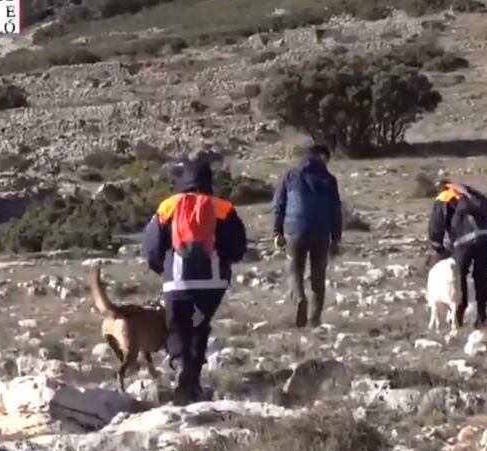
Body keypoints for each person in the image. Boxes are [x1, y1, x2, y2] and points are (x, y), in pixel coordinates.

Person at [142, 159, 248, 405]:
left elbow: (152, 247)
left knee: (177, 326)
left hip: (177, 282)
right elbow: (238, 247)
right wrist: (224, 263)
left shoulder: (168, 206)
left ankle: (181, 366)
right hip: (212, 283)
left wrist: (162, 268)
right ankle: (193, 380)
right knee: (200, 326)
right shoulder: (222, 207)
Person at [272, 144, 343, 328]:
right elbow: (336, 211)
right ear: (322, 157)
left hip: (294, 230)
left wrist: (277, 232)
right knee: (318, 275)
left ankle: (299, 298)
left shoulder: (290, 175)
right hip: (321, 233)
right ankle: (315, 318)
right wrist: (336, 239)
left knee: (294, 270)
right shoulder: (329, 179)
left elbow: (279, 206)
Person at [428, 180, 487, 328]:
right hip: (486, 237)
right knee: (481, 277)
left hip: (464, 241)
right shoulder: (467, 194)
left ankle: (458, 317)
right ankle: (481, 317)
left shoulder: (443, 198)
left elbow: (435, 228)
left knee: (459, 277)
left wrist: (440, 249)